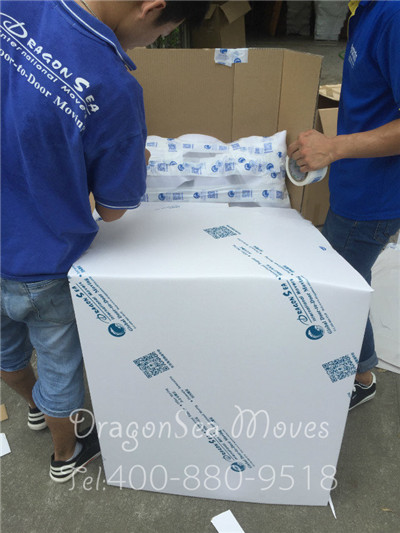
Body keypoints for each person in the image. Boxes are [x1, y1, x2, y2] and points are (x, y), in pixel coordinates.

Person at [0, 0, 209, 483]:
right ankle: (67, 452)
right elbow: (113, 208)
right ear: (151, 8)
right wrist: (137, 161)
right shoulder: (112, 87)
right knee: (60, 370)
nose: (152, 43)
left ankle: (33, 407)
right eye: (163, 32)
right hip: (42, 262)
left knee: (7, 354)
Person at [288, 0, 400, 410]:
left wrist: (334, 147)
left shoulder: (392, 15)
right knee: (343, 281)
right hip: (356, 184)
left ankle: (360, 376)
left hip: (372, 197)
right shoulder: (364, 9)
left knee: (341, 291)